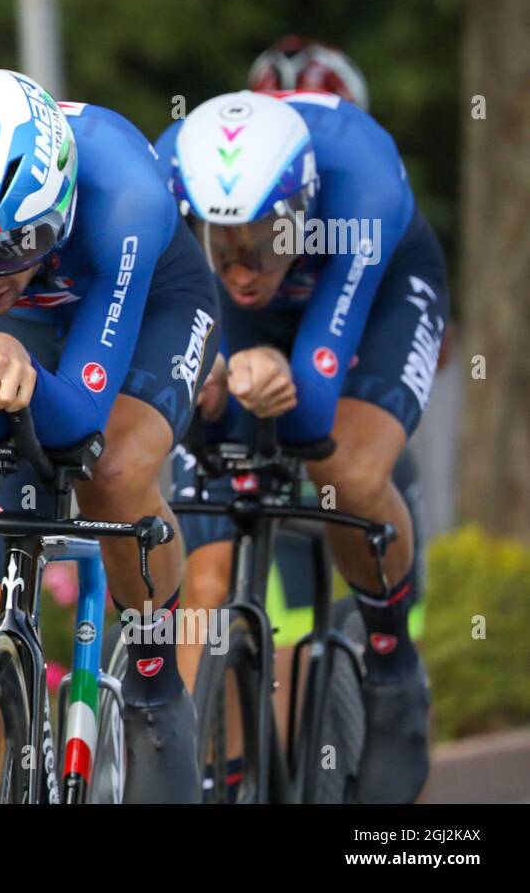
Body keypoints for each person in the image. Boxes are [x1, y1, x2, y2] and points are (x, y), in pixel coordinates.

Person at [155, 89, 449, 802]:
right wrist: (212, 389)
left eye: (260, 243)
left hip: (373, 296)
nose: (242, 268)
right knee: (209, 584)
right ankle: (215, 782)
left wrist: (277, 383)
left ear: (300, 215)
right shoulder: (163, 179)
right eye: (220, 243)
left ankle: (389, 662)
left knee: (344, 471)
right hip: (247, 333)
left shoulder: (363, 191)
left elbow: (311, 409)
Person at [0, 69, 220, 802]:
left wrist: (22, 362)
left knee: (115, 472)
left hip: (146, 298)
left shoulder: (123, 199)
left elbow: (80, 427)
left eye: (22, 244)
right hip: (33, 322)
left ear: (60, 214)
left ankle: (157, 675)